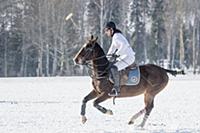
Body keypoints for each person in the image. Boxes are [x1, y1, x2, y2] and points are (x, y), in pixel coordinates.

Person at [104, 21, 136, 97]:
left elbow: (123, 45)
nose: (106, 33)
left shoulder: (117, 36)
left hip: (128, 57)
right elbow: (111, 49)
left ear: (111, 29)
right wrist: (106, 59)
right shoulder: (115, 37)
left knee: (114, 68)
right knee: (111, 66)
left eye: (107, 30)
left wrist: (116, 54)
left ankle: (116, 89)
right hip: (124, 57)